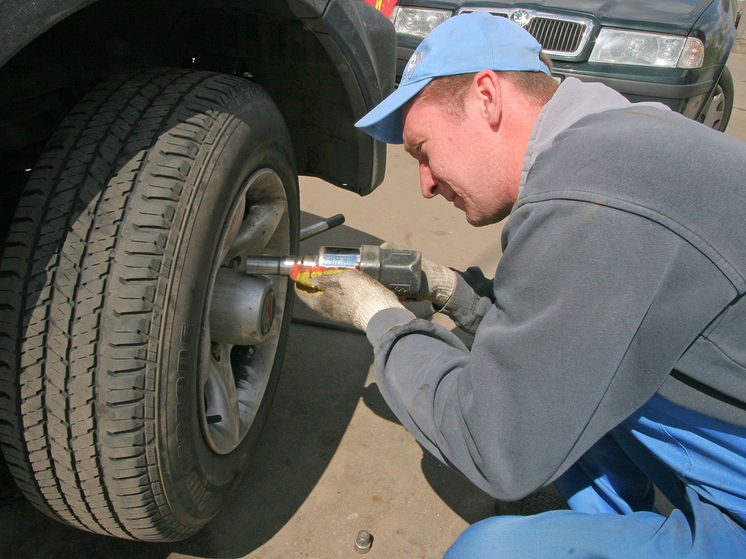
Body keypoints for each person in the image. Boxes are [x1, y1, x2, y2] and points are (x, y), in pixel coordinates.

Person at [292, 11, 746, 558]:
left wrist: (381, 321)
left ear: (486, 96)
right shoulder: (613, 141)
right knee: (569, 381)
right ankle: (614, 524)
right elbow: (557, 333)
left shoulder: (588, 199)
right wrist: (453, 293)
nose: (427, 184)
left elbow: (493, 445)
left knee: (487, 553)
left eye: (422, 150)